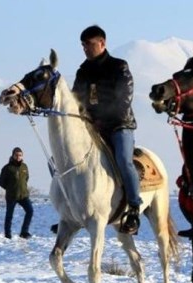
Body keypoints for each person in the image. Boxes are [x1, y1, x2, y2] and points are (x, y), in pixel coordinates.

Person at [72, 25, 142, 235]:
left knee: (123, 158)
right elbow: (76, 99)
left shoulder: (119, 66)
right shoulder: (83, 71)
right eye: (83, 45)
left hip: (120, 124)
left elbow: (124, 98)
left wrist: (103, 118)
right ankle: (71, 212)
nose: (85, 49)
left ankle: (134, 208)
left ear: (102, 43)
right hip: (93, 126)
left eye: (89, 45)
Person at [0, 147, 34, 239]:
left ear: (22, 156)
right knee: (9, 215)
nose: (18, 157)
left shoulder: (24, 167)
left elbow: (26, 178)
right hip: (12, 196)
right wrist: (9, 188)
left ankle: (24, 232)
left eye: (20, 155)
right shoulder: (7, 168)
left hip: (23, 195)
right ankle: (7, 234)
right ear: (13, 155)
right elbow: (0, 181)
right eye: (16, 155)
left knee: (30, 211)